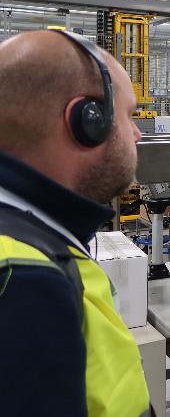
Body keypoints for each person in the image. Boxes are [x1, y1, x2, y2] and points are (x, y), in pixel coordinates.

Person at [0, 30, 150, 416]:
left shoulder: (35, 237)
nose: (136, 133)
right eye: (128, 115)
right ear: (86, 120)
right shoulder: (27, 279)